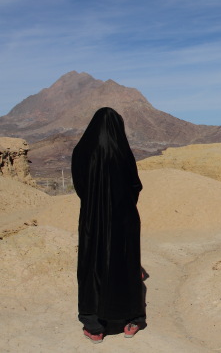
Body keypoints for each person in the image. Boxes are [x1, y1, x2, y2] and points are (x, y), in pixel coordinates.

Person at [71, 107, 146, 343]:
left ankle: (94, 326)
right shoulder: (121, 150)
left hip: (92, 218)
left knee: (92, 264)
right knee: (125, 263)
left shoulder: (82, 150)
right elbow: (135, 185)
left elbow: (79, 184)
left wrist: (94, 203)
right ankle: (131, 320)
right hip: (122, 220)